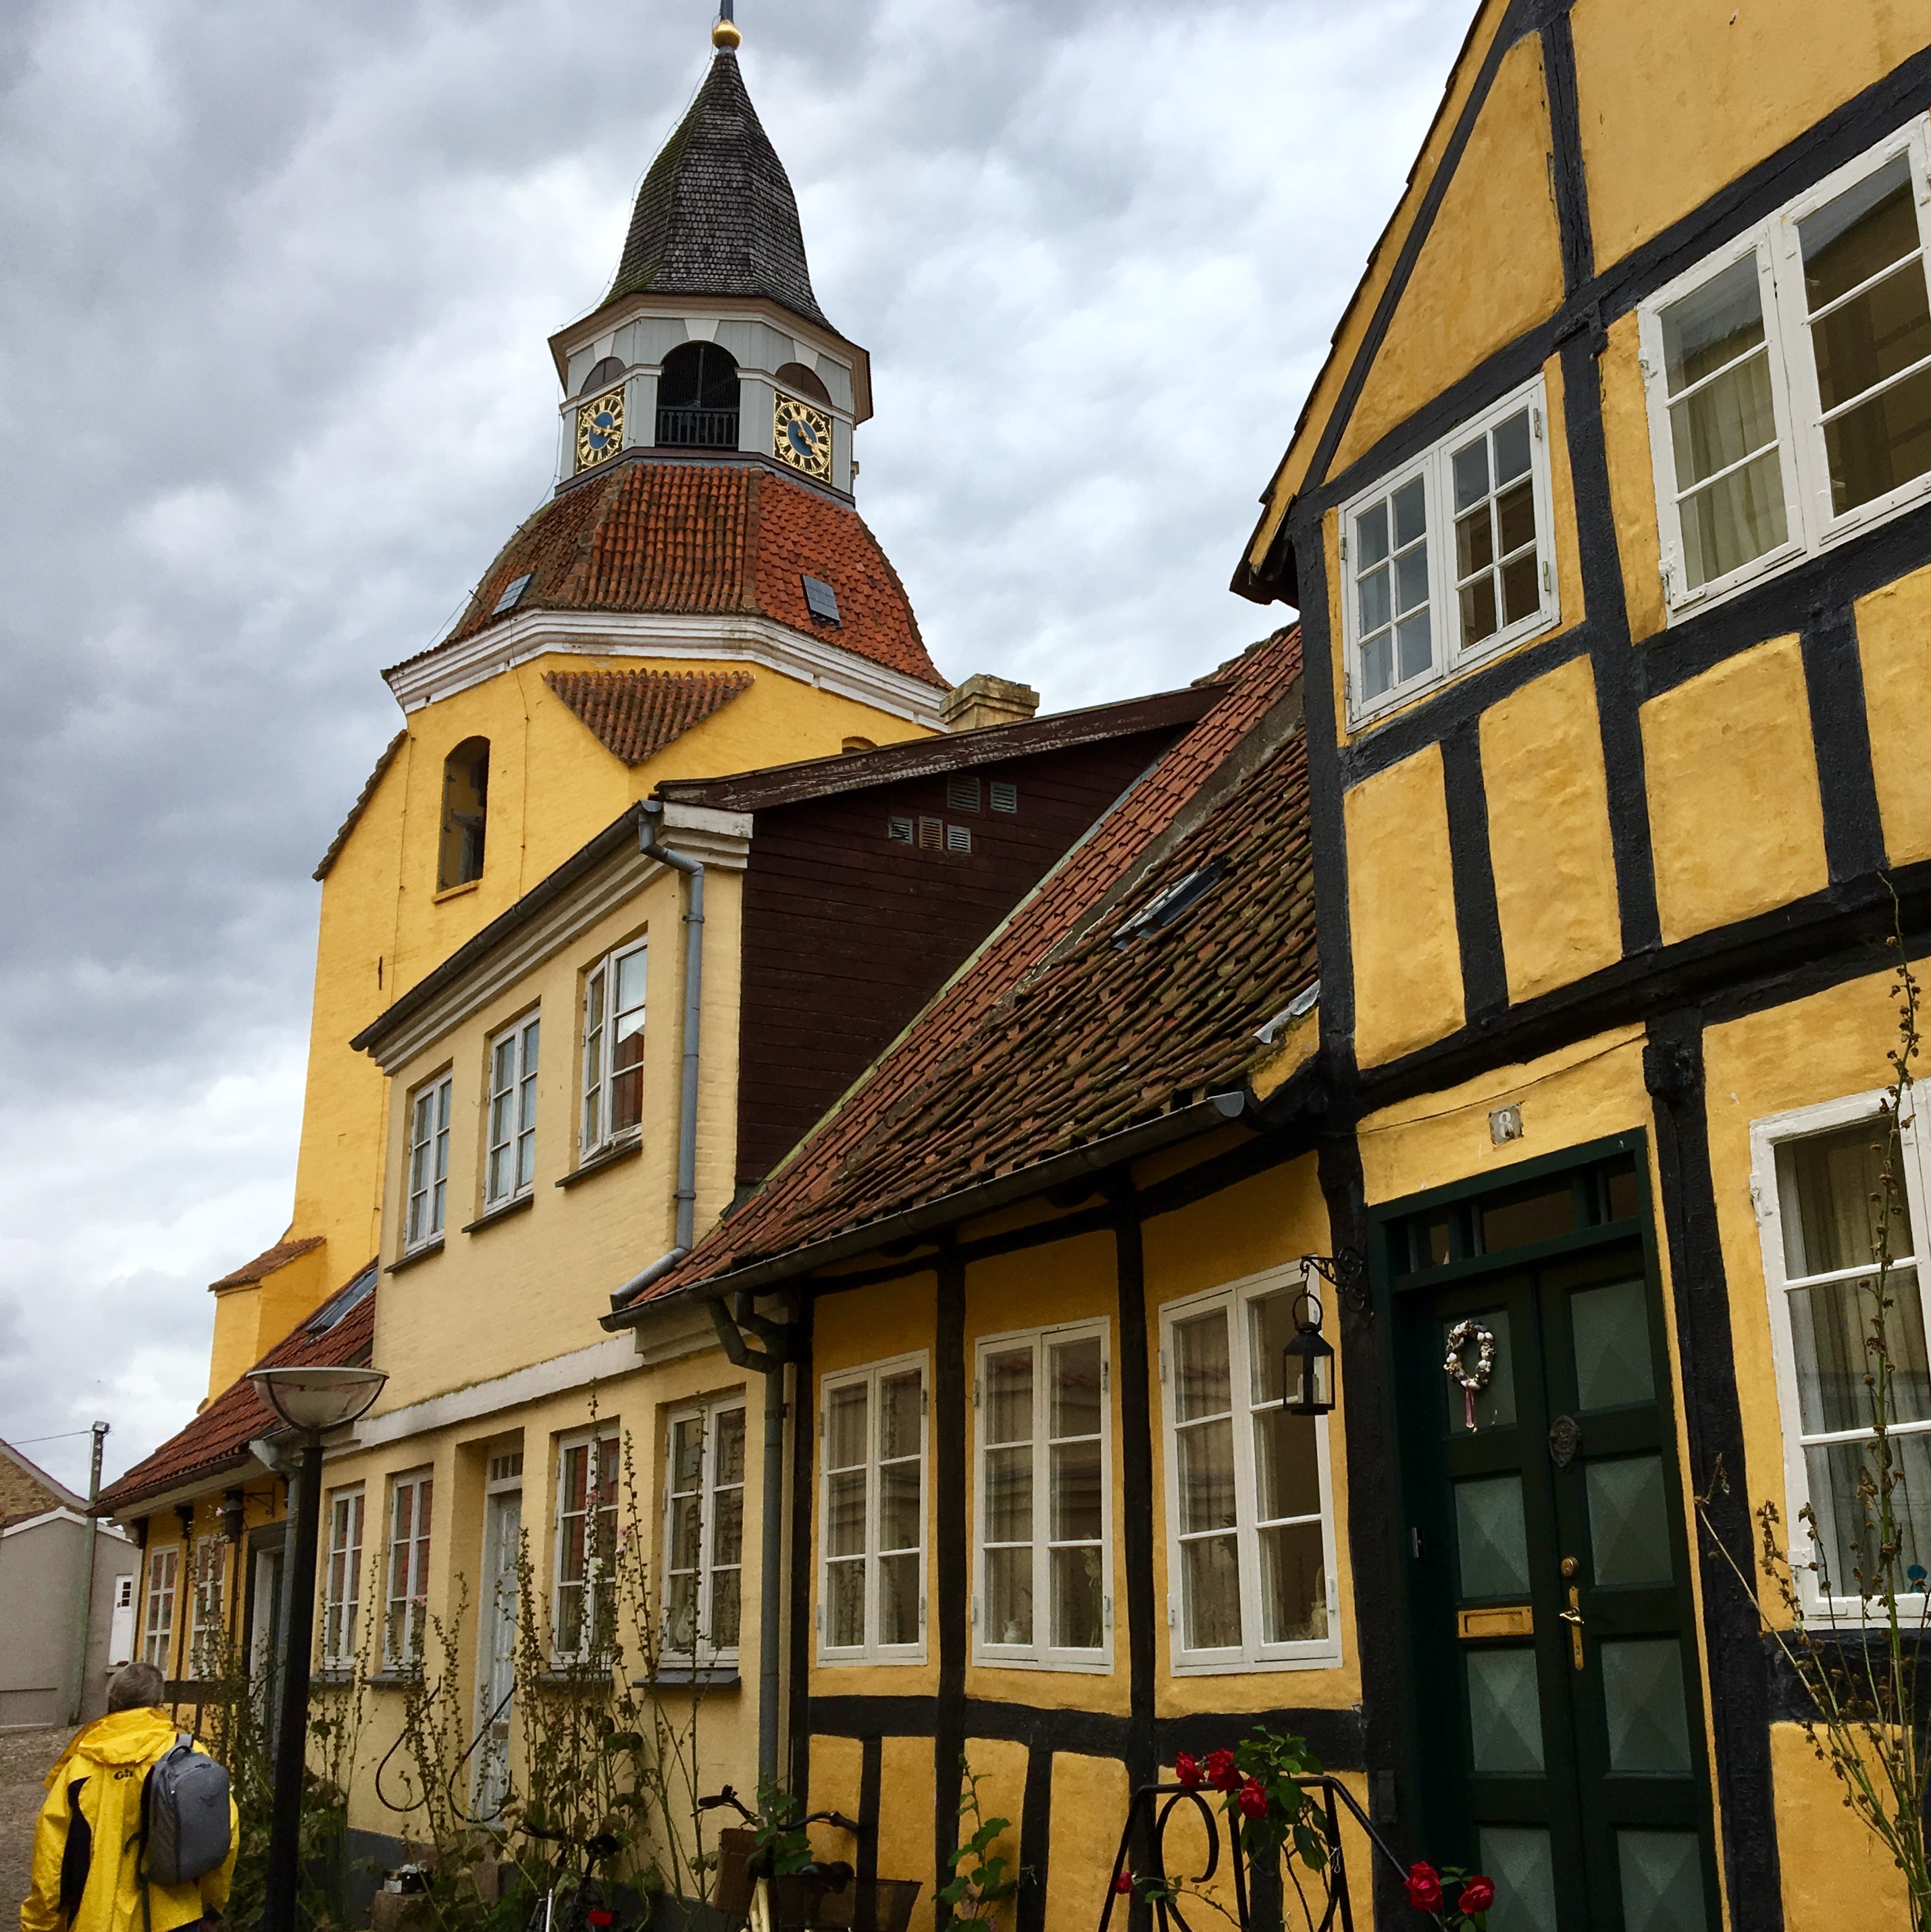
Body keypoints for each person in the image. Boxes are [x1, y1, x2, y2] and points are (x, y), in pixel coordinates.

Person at [20, 1661, 238, 1932]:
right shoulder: (189, 1757)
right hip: (175, 1917)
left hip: (95, 1919)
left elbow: (50, 1857)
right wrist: (212, 1905)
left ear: (112, 1701)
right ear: (159, 1701)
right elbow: (222, 1834)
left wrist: (40, 1924)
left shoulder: (80, 1769)